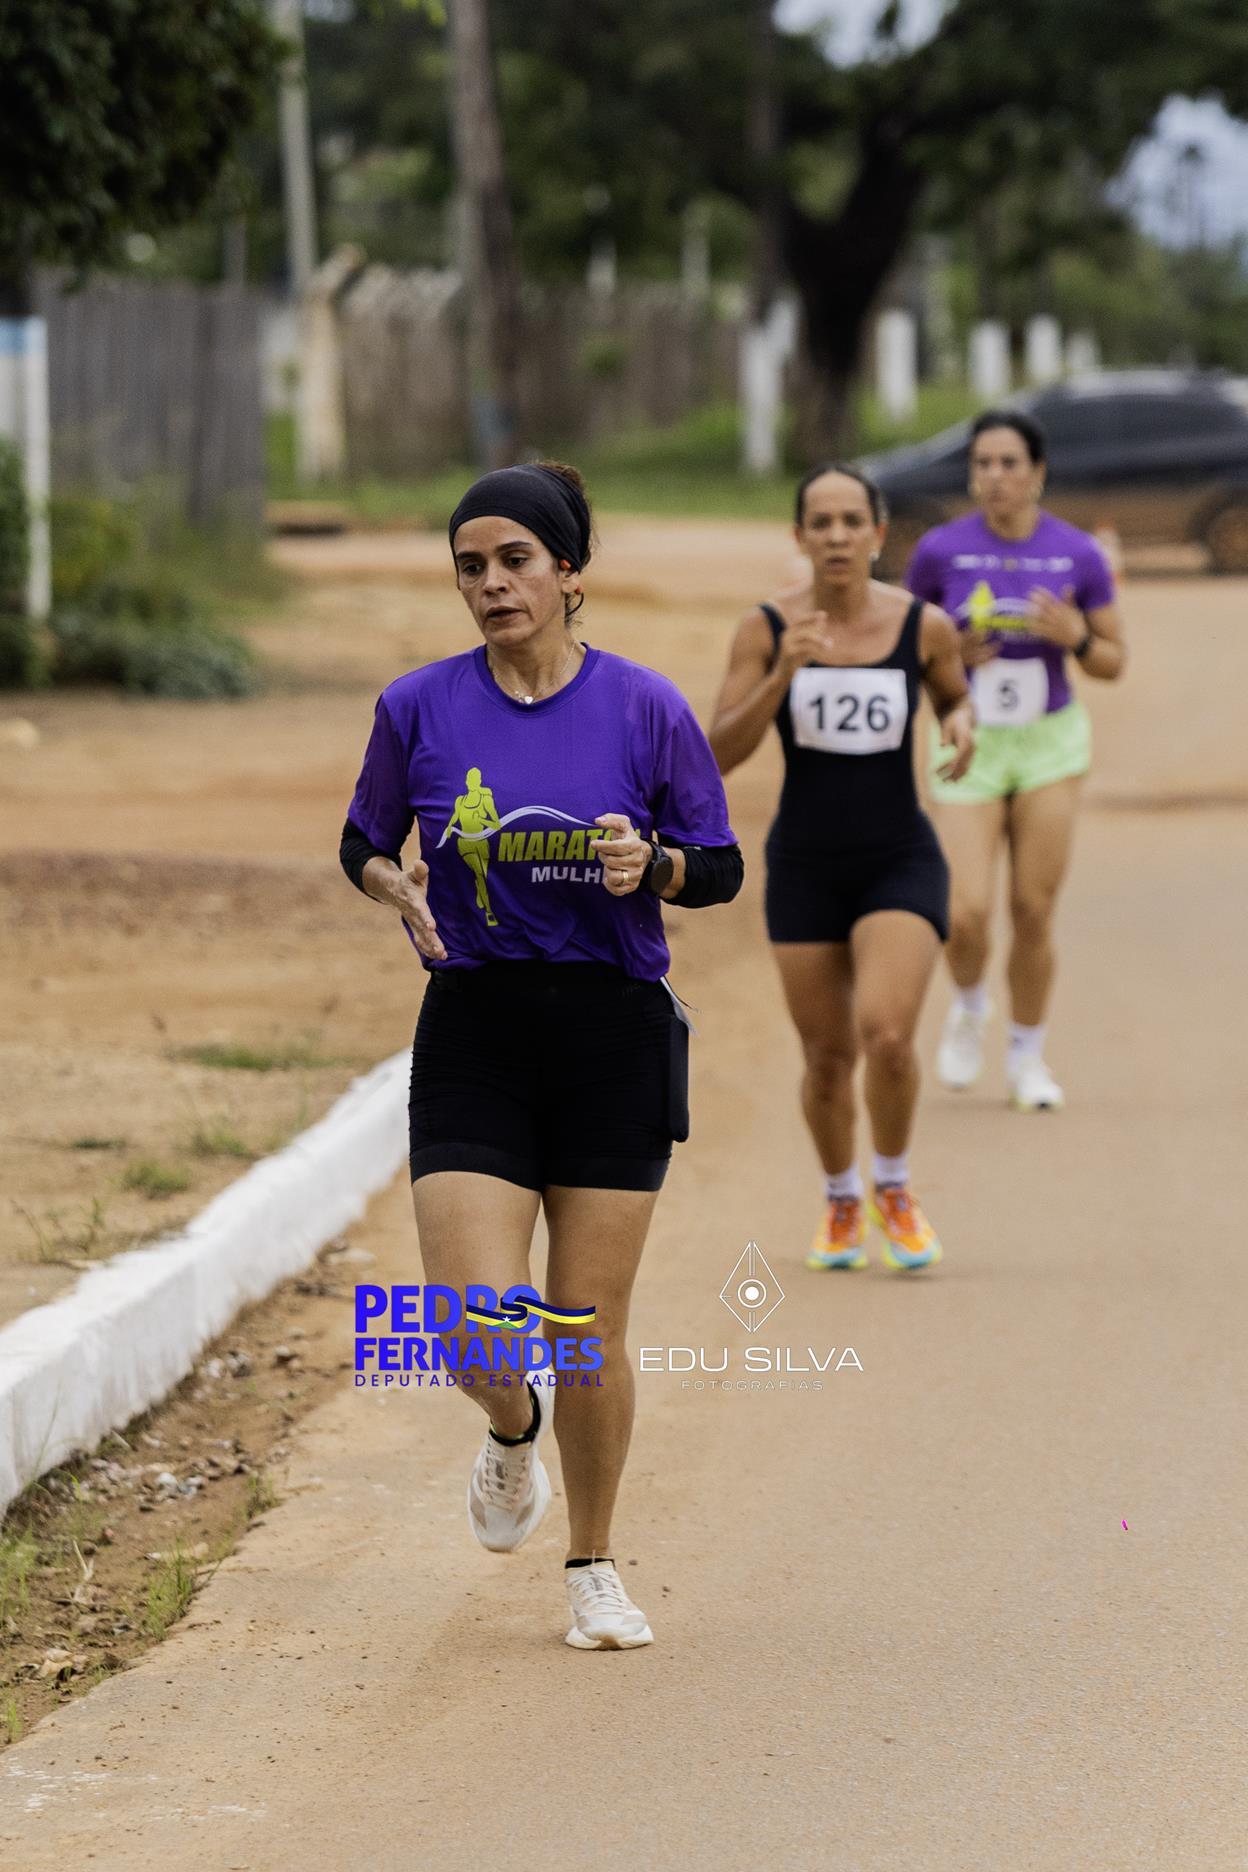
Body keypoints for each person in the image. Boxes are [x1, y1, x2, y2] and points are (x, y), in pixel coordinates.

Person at [339, 461, 743, 1651]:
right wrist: (391, 882)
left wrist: (653, 866)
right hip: (478, 1027)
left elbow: (718, 866)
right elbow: (363, 841)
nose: (492, 584)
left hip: (613, 1035)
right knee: (472, 1326)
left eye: (515, 560)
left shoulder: (645, 709)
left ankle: (593, 1566)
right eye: (471, 565)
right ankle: (513, 1431)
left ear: (569, 571)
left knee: (584, 1326)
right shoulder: (418, 706)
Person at [708, 464, 974, 1273]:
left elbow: (954, 695)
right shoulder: (765, 629)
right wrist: (783, 674)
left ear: (878, 533)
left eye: (851, 521)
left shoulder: (923, 625)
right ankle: (840, 1197)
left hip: (899, 857)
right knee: (827, 1061)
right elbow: (716, 754)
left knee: (887, 1036)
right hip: (805, 865)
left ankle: (892, 1185)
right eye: (819, 523)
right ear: (799, 536)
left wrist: (960, 724)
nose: (836, 536)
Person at [907, 410, 1127, 1111]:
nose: (995, 476)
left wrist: (1075, 637)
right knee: (966, 911)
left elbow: (1114, 661)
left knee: (1032, 909)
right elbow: (898, 651)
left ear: (1038, 473)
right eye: (983, 464)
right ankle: (971, 1004)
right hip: (967, 736)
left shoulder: (1078, 553)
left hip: (1048, 743)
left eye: (1009, 463)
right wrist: (947, 658)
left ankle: (1028, 1057)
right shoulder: (939, 551)